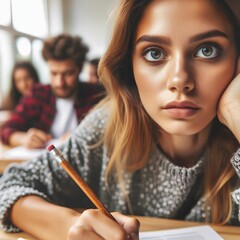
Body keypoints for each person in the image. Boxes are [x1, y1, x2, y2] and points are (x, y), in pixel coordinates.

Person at [0, 0, 240, 239]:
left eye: (207, 50)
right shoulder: (105, 128)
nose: (179, 80)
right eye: (154, 53)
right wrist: (66, 226)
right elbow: (8, 186)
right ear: (129, 67)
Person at [0, 33, 105, 149]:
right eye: (54, 73)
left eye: (68, 74)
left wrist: (83, 136)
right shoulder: (37, 94)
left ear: (79, 69)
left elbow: (113, 131)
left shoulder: (96, 95)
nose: (59, 83)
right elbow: (6, 129)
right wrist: (23, 138)